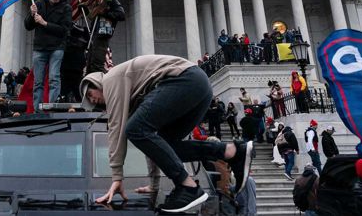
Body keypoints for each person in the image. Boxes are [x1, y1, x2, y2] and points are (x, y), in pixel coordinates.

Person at [79, 55, 254, 212]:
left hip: (186, 80)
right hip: (198, 87)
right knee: (165, 144)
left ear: (96, 83)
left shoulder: (111, 79)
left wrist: (117, 177)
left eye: (90, 95)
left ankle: (188, 187)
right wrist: (154, 185)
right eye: (90, 102)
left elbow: (116, 130)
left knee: (133, 129)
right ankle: (231, 151)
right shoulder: (132, 95)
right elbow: (153, 145)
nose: (92, 100)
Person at [24, 0, 72, 110]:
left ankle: (52, 107)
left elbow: (64, 30)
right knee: (38, 82)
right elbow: (28, 26)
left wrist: (45, 23)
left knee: (54, 78)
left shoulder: (66, 7)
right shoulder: (39, 4)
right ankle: (37, 109)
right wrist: (31, 14)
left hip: (57, 47)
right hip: (40, 48)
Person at [83, 0, 126, 74]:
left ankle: (101, 85)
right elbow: (92, 17)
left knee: (97, 65)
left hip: (102, 35)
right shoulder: (97, 0)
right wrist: (86, 9)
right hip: (94, 35)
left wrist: (105, 13)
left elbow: (121, 15)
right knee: (90, 65)